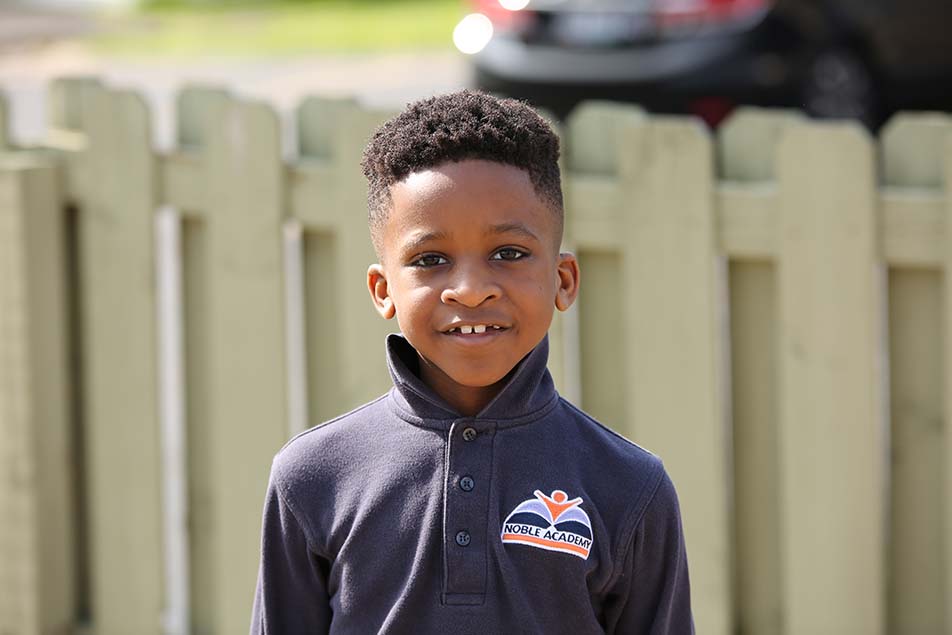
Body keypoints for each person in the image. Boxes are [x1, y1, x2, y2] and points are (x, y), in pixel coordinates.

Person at [250, 90, 693, 634]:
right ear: (383, 290)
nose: (470, 289)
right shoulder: (311, 477)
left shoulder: (629, 486)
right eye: (430, 259)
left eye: (508, 253)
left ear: (563, 280)